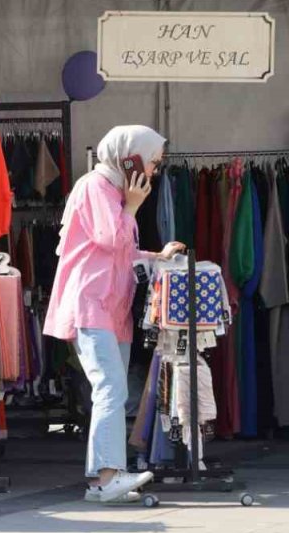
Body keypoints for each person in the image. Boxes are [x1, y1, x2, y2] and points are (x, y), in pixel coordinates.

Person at [43, 125, 186, 505]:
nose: (154, 171)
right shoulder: (95, 188)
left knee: (113, 389)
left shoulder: (113, 192)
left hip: (110, 306)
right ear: (131, 159)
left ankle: (107, 476)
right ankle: (106, 478)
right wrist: (134, 206)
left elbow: (121, 251)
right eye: (151, 162)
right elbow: (111, 238)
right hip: (92, 303)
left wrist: (156, 257)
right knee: (110, 387)